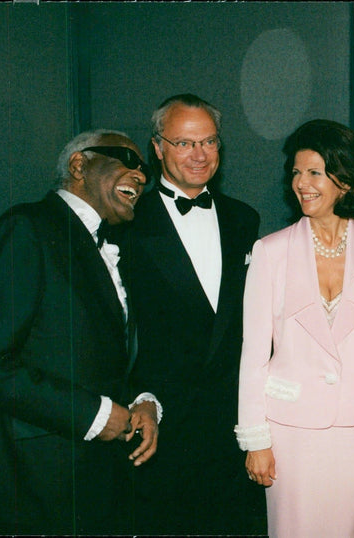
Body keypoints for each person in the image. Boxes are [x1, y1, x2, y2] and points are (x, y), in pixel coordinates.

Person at [0, 130, 159, 535]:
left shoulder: (113, 245)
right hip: (32, 490)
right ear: (79, 165)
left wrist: (142, 399)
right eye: (126, 160)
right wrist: (95, 416)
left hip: (94, 486)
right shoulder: (25, 228)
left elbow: (105, 355)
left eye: (144, 169)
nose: (140, 175)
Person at [236, 119, 354, 537]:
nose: (302, 183)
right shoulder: (271, 251)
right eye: (296, 172)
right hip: (290, 430)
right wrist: (255, 439)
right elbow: (254, 353)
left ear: (345, 180)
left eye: (314, 172)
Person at [118, 94, 261, 534]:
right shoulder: (125, 220)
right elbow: (113, 327)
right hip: (162, 425)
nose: (199, 155)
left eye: (209, 142)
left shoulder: (244, 219)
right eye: (184, 143)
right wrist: (140, 396)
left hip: (233, 426)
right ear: (157, 147)